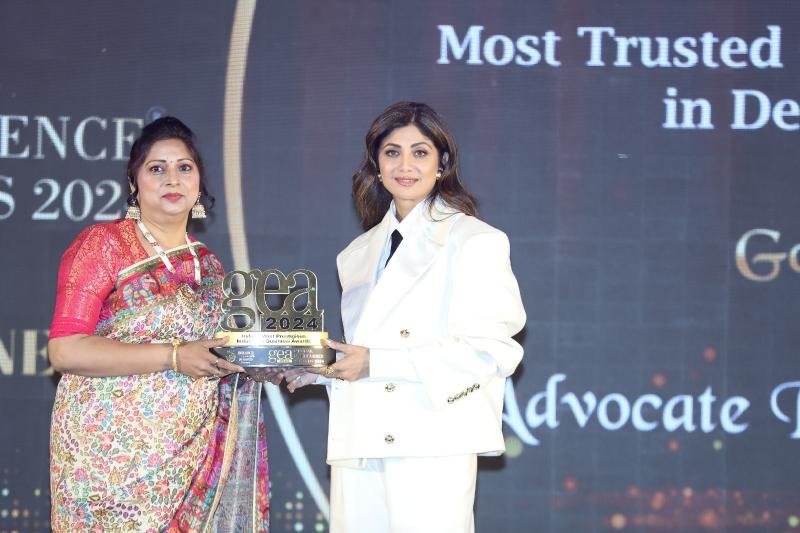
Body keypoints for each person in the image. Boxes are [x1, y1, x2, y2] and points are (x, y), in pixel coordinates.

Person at [285, 101, 526, 533]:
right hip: (360, 441)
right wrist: (323, 370)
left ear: (442, 164)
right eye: (392, 152)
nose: (405, 165)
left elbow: (493, 351)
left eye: (420, 152)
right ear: (376, 165)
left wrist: (377, 363)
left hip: (432, 442)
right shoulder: (357, 253)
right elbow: (365, 356)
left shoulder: (474, 240)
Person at [48, 116, 270, 532]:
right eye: (157, 168)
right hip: (108, 461)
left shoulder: (209, 264)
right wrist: (173, 357)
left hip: (191, 456)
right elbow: (64, 349)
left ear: (199, 182)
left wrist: (268, 360)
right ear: (134, 183)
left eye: (184, 167)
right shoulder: (103, 245)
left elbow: (214, 355)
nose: (172, 179)